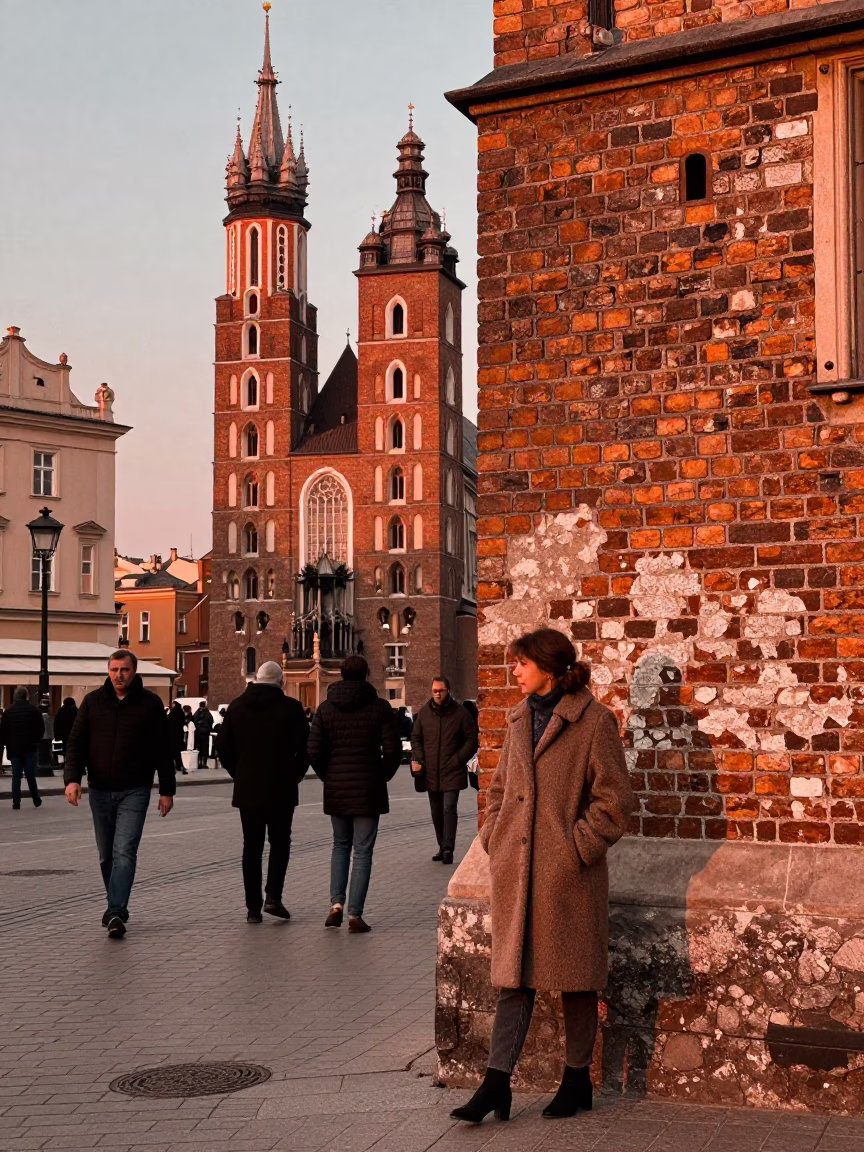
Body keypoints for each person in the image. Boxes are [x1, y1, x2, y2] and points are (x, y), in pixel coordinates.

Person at [451, 628, 633, 1125]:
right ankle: (495, 1084)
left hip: (567, 876)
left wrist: (576, 847)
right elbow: (498, 788)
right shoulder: (516, 719)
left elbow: (615, 804)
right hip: (516, 870)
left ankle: (577, 1079)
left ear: (548, 668)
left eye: (522, 663)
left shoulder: (594, 722)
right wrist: (493, 835)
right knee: (513, 980)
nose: (514, 671)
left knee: (575, 981)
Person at [64, 650, 175, 939]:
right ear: (108, 670)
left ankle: (116, 911)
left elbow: (163, 749)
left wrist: (166, 790)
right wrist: (72, 780)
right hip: (99, 789)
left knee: (124, 851)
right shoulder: (93, 702)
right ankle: (115, 905)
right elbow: (76, 743)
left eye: (124, 670)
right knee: (106, 855)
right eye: (114, 669)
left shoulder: (150, 704)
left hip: (135, 789)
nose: (118, 675)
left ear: (134, 671)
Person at [308, 655, 401, 933]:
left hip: (337, 786)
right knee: (362, 851)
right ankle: (355, 915)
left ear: (341, 675)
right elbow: (393, 750)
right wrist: (380, 775)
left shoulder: (325, 709)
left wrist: (329, 774)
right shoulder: (380, 708)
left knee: (340, 846)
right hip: (368, 787)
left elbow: (313, 750)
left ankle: (335, 904)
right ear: (366, 674)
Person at [216, 661, 309, 923]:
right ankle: (273, 897)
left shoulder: (236, 706)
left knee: (252, 846)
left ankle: (253, 909)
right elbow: (306, 748)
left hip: (248, 788)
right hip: (281, 787)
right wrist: (295, 775)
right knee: (280, 842)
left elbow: (223, 747)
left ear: (256, 679)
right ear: (280, 682)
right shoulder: (291, 708)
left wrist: (240, 773)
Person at [410, 677, 478, 865]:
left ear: (448, 690)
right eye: (434, 690)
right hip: (431, 770)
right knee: (436, 811)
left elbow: (472, 739)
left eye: (441, 690)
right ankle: (441, 845)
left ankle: (448, 847)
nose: (437, 693)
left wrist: (458, 759)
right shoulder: (424, 713)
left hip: (452, 769)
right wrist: (420, 755)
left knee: (449, 808)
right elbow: (415, 737)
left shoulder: (461, 714)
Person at [0, 687, 44, 810]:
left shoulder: (8, 712)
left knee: (16, 776)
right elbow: (40, 728)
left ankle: (16, 802)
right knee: (30, 775)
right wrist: (36, 742)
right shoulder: (34, 710)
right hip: (29, 747)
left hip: (14, 748)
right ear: (26, 696)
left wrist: (6, 743)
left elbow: (3, 731)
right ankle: (35, 798)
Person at [167, 701, 188, 775]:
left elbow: (169, 722)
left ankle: (175, 766)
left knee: (173, 751)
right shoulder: (179, 713)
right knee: (177, 752)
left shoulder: (174, 713)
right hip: (178, 735)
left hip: (173, 735)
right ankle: (179, 766)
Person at [192, 701, 213, 770]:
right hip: (205, 733)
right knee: (205, 749)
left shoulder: (197, 713)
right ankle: (204, 763)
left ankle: (199, 763)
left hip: (198, 733)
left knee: (199, 748)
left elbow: (193, 720)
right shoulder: (208, 713)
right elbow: (211, 721)